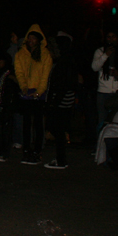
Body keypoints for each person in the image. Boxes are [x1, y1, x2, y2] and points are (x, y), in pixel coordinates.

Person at [14, 25, 53, 165]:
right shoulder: (21, 54)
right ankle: (26, 150)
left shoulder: (45, 54)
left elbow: (45, 75)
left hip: (39, 93)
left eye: (34, 38)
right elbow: (19, 71)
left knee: (38, 124)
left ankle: (37, 151)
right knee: (26, 123)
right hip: (26, 93)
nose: (31, 40)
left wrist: (39, 91)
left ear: (39, 40)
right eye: (29, 38)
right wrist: (24, 86)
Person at [44, 35, 80, 169]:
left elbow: (62, 85)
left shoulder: (64, 62)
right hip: (64, 99)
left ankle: (61, 160)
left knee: (58, 129)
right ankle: (60, 158)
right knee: (59, 129)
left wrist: (53, 103)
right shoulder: (67, 60)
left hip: (62, 99)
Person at [91, 30, 118, 132]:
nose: (111, 39)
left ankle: (115, 144)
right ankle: (101, 144)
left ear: (117, 38)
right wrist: (105, 55)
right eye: (108, 37)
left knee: (117, 121)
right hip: (103, 92)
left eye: (113, 36)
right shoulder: (100, 52)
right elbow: (94, 67)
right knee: (103, 121)